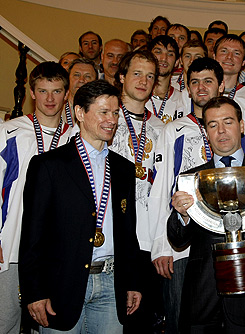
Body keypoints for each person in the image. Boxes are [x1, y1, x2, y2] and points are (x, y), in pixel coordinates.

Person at [148, 57, 245, 333]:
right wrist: (162, 245)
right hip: (185, 245)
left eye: (208, 81)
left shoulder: (241, 130)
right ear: (186, 88)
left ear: (221, 85)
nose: (201, 88)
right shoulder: (173, 130)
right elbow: (162, 187)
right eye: (195, 82)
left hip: (236, 245)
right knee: (186, 317)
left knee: (241, 319)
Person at [19, 79, 142, 333]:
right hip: (61, 285)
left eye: (116, 113)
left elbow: (129, 233)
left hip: (111, 283)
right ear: (79, 113)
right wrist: (34, 292)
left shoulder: (123, 169)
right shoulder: (48, 165)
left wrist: (133, 281)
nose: (112, 120)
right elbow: (32, 235)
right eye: (103, 112)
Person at [167, 96, 245, 332]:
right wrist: (182, 215)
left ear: (242, 125)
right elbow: (177, 239)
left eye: (228, 122)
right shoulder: (190, 179)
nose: (221, 131)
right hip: (201, 300)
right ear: (206, 131)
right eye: (213, 125)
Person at [0, 62, 72, 334]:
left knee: (48, 322)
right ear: (32, 92)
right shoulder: (10, 132)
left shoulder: (76, 138)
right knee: (6, 320)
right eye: (43, 91)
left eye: (56, 91)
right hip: (11, 244)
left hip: (55, 250)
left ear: (67, 94)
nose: (50, 99)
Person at [108, 49, 166, 332]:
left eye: (150, 76)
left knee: (143, 322)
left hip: (147, 240)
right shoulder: (105, 119)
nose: (144, 81)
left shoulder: (160, 129)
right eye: (136, 73)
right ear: (121, 77)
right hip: (111, 237)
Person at [214, 34, 245, 131]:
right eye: (224, 51)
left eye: (236, 53)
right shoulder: (198, 93)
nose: (229, 57)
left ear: (244, 61)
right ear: (214, 56)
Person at [146, 36, 184, 124]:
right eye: (158, 52)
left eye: (170, 54)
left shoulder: (182, 100)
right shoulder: (137, 95)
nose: (164, 58)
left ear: (177, 62)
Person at [64, 58, 99, 127]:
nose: (81, 80)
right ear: (68, 79)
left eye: (87, 76)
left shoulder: (101, 113)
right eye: (76, 75)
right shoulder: (56, 111)